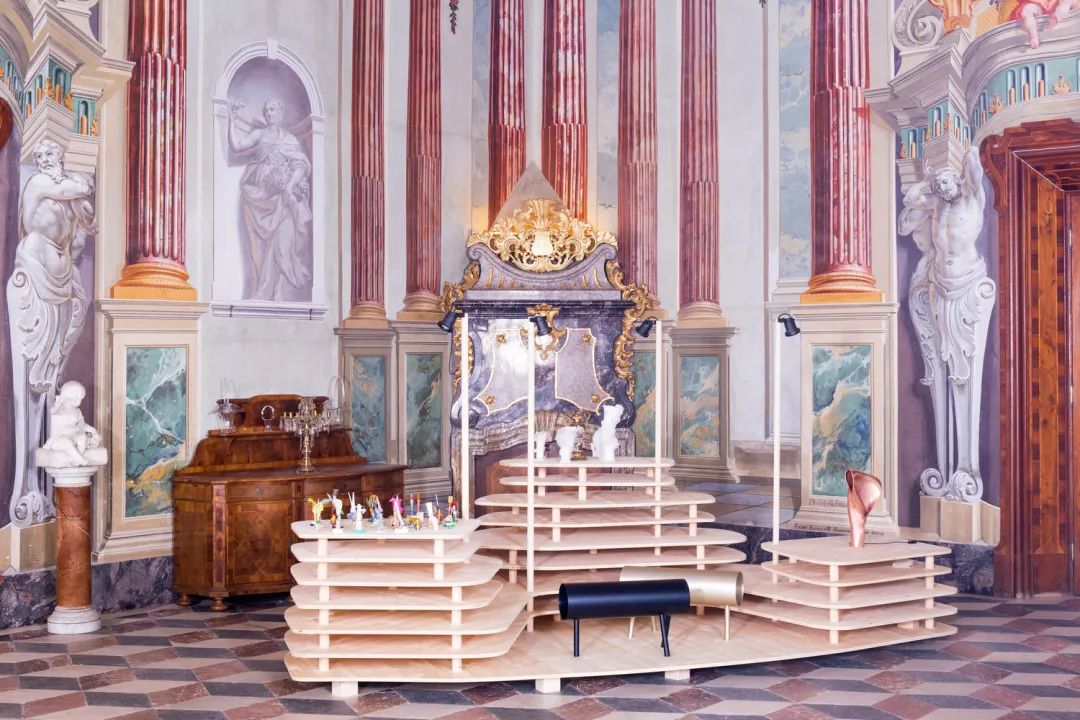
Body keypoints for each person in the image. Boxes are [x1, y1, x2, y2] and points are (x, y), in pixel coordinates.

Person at [7, 139, 96, 525]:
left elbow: (86, 217)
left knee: (52, 362)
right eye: (41, 155)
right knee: (35, 364)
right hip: (37, 267)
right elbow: (79, 188)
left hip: (60, 275)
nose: (44, 160)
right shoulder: (39, 183)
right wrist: (80, 184)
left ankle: (39, 486)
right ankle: (28, 483)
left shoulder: (61, 193)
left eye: (51, 155)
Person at [900, 147, 996, 503]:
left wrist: (971, 149)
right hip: (937, 286)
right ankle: (946, 470)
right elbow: (908, 205)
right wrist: (928, 181)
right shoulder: (936, 205)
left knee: (964, 372)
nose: (944, 188)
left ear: (958, 181)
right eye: (939, 185)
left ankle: (966, 470)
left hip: (969, 284)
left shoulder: (972, 199)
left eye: (947, 182)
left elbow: (974, 170)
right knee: (939, 366)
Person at [227, 98, 312, 301]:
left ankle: (279, 291)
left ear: (280, 112)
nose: (268, 113)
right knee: (259, 247)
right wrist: (231, 120)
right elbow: (237, 146)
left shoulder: (290, 140)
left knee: (283, 245)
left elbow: (300, 165)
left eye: (272, 109)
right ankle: (263, 288)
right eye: (266, 110)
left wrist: (290, 185)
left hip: (283, 198)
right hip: (259, 199)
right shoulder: (259, 134)